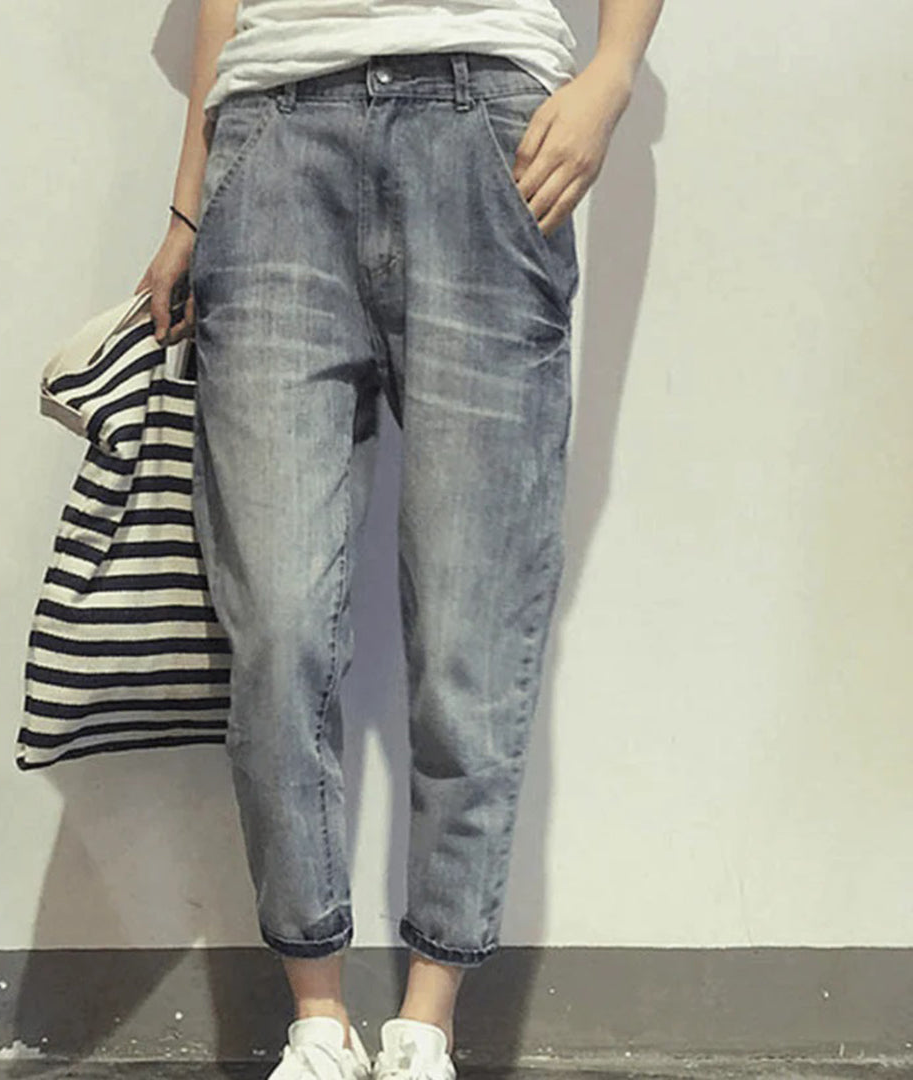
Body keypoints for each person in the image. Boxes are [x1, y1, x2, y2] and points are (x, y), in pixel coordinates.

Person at [137, 2, 664, 1078]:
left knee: (475, 625)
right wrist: (190, 208)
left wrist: (612, 75)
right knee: (277, 626)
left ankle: (427, 1026)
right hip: (274, 145)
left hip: (490, 134)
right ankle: (318, 1024)